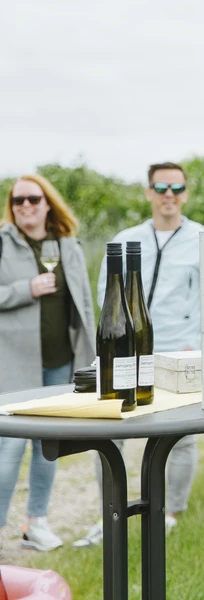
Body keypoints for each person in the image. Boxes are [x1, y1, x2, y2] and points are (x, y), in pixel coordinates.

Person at [75, 162, 204, 548]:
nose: (170, 194)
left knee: (180, 437)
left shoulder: (202, 239)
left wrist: (196, 347)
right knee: (110, 436)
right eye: (161, 186)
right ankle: (110, 516)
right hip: (125, 356)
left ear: (185, 193)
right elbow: (106, 297)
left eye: (177, 187)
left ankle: (169, 516)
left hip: (178, 351)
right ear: (149, 192)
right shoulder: (126, 237)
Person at [0, 175, 96, 551]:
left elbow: (84, 303)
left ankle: (35, 524)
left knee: (48, 446)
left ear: (47, 202)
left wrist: (91, 355)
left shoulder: (67, 245)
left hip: (60, 363)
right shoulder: (2, 243)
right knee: (8, 448)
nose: (26, 205)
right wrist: (27, 289)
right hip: (13, 364)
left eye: (33, 199)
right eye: (18, 199)